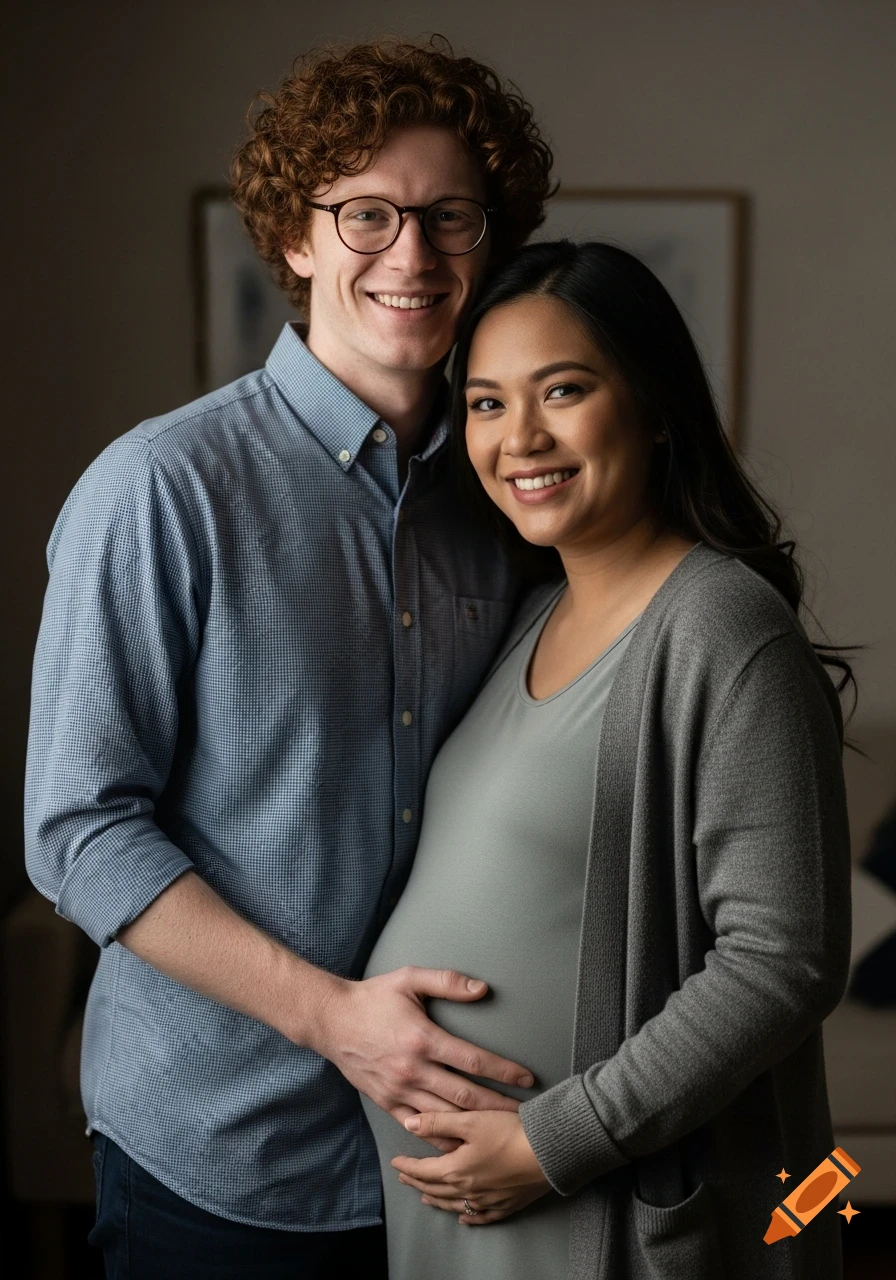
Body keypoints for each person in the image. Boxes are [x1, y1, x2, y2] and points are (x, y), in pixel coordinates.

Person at [24, 38, 555, 1279]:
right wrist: (334, 1019)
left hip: (450, 1154)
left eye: (449, 216)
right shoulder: (160, 487)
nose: (411, 255)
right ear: (294, 239)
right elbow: (79, 830)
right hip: (218, 1152)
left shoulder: (505, 497)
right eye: (365, 213)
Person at [361, 240, 853, 1280]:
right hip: (464, 1217)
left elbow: (783, 962)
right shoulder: (529, 614)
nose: (520, 438)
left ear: (656, 407)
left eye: (563, 390)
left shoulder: (721, 627)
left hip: (598, 1209)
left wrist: (551, 1142)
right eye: (486, 403)